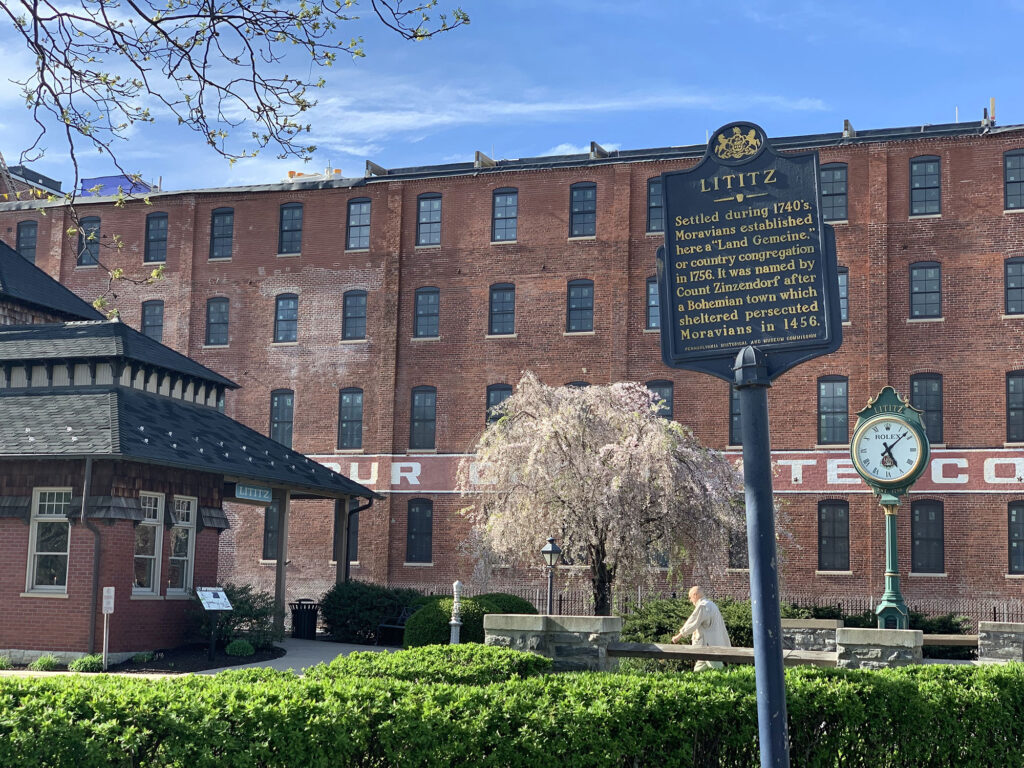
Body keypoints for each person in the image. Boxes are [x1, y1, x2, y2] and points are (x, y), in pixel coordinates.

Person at [671, 585, 731, 671]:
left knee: (719, 670)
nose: (690, 600)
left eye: (690, 597)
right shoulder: (712, 605)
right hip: (708, 645)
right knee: (697, 671)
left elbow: (692, 623)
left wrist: (678, 636)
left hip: (708, 646)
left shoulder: (702, 606)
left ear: (695, 595)